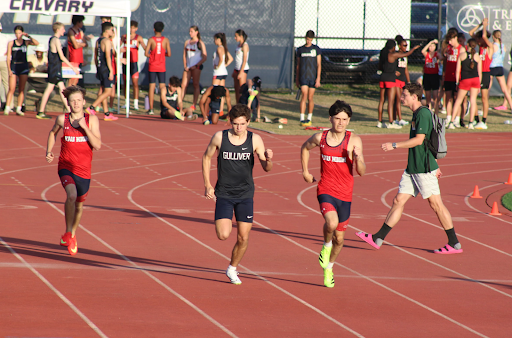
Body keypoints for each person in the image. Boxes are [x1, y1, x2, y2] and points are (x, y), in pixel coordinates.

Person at [356, 83, 462, 254]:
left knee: (436, 205)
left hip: (423, 168)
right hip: (413, 168)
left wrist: (394, 145)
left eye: (404, 94)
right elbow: (428, 142)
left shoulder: (423, 114)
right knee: (398, 200)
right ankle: (378, 238)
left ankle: (454, 243)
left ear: (414, 96)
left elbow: (420, 140)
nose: (402, 97)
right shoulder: (417, 114)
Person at [202, 104, 273, 285]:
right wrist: (208, 185)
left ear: (248, 122)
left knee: (243, 237)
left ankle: (232, 268)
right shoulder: (220, 137)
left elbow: (267, 168)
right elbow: (206, 157)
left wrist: (269, 158)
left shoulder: (255, 140)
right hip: (224, 193)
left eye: (242, 124)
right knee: (223, 235)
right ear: (230, 122)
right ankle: (231, 261)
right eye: (235, 124)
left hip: (245, 194)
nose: (239, 128)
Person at [301, 100, 366, 288]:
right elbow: (305, 148)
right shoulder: (320, 137)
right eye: (337, 118)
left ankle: (329, 267)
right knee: (331, 223)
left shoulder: (354, 140)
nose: (340, 123)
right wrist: (305, 171)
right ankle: (326, 246)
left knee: (340, 238)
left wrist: (359, 157)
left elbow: (361, 171)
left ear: (349, 120)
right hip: (326, 189)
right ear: (330, 118)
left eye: (344, 119)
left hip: (345, 194)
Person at [45, 85, 101, 256]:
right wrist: (49, 150)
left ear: (84, 102)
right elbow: (52, 132)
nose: (76, 103)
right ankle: (68, 233)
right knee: (71, 195)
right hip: (66, 166)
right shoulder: (63, 119)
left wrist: (84, 127)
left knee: (79, 205)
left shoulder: (92, 120)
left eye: (78, 100)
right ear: (68, 104)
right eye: (72, 101)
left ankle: (72, 234)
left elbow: (97, 145)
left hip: (84, 170)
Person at [36, 22, 79, 120]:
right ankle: (41, 111)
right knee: (56, 90)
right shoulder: (56, 40)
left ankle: (68, 111)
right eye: (63, 29)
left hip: (54, 68)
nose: (64, 31)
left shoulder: (52, 39)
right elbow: (61, 56)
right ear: (58, 30)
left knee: (60, 90)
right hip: (55, 69)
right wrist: (72, 68)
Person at [377, 39, 420, 128]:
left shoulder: (383, 54)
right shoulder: (392, 54)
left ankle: (379, 121)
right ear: (393, 47)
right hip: (390, 79)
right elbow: (406, 54)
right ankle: (391, 122)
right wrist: (414, 48)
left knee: (381, 101)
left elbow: (380, 66)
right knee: (391, 101)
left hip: (382, 77)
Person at [85, 22, 118, 121]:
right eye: (112, 30)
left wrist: (97, 68)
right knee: (108, 92)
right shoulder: (107, 41)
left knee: (104, 91)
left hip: (100, 68)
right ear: (107, 30)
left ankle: (107, 113)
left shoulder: (98, 40)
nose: (113, 32)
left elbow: (96, 56)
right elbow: (108, 56)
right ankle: (92, 107)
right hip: (106, 68)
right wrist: (111, 70)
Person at [4, 25, 39, 116]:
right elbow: (8, 57)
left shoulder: (26, 42)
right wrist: (9, 69)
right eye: (16, 33)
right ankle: (7, 107)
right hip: (14, 66)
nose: (18, 35)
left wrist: (28, 36)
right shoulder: (11, 43)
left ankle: (19, 108)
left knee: (21, 89)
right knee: (11, 88)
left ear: (22, 33)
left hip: (23, 67)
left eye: (19, 33)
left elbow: (36, 43)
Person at [449, 39, 482, 130]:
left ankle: (451, 122)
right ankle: (471, 123)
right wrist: (479, 84)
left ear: (467, 45)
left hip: (465, 80)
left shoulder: (462, 56)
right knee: (473, 101)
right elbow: (480, 72)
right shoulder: (477, 57)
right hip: (475, 80)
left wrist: (457, 82)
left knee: (458, 101)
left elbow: (457, 71)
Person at [470, 19, 493, 129]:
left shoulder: (489, 47)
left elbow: (484, 37)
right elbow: (471, 33)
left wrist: (484, 26)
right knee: (473, 97)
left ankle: (484, 120)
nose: (478, 41)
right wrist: (479, 24)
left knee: (484, 98)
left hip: (485, 73)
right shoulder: (479, 47)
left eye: (479, 39)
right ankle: (476, 119)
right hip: (476, 73)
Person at [296, 30, 321, 127]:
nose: (308, 41)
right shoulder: (300, 50)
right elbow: (298, 65)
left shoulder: (316, 49)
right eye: (307, 39)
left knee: (310, 97)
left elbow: (319, 64)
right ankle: (302, 118)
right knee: (304, 95)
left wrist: (318, 78)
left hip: (312, 77)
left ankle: (309, 118)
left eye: (310, 39)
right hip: (303, 76)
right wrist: (297, 79)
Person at [145, 21, 171, 115]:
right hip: (161, 66)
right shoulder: (166, 40)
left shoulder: (151, 40)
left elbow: (146, 53)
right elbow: (169, 53)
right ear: (163, 29)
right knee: (162, 87)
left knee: (152, 87)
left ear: (154, 29)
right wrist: (162, 54)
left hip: (152, 66)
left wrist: (152, 55)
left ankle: (151, 109)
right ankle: (163, 108)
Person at [24, 44, 60, 112]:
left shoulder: (46, 59)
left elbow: (48, 69)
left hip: (42, 82)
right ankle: (23, 105)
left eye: (41, 52)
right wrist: (33, 68)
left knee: (52, 92)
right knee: (23, 86)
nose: (39, 53)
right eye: (38, 51)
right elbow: (30, 65)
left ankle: (40, 103)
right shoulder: (30, 57)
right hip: (31, 82)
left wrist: (41, 69)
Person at [121, 21, 146, 111]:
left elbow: (145, 48)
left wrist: (149, 50)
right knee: (125, 83)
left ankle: (135, 103)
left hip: (134, 63)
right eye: (130, 27)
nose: (131, 29)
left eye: (133, 28)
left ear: (136, 29)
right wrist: (120, 50)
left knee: (135, 83)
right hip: (125, 63)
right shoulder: (124, 37)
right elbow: (118, 48)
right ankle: (126, 102)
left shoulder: (138, 38)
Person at [181, 26, 207, 111]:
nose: (190, 33)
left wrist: (196, 66)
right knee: (183, 85)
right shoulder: (187, 42)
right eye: (189, 31)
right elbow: (184, 55)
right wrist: (185, 66)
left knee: (196, 84)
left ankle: (194, 104)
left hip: (196, 67)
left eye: (191, 31)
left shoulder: (200, 43)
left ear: (196, 32)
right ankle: (179, 103)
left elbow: (204, 57)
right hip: (188, 67)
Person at [441, 29, 462, 125]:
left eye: (451, 40)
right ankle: (448, 117)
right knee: (448, 97)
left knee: (457, 98)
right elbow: (443, 56)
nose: (449, 42)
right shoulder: (448, 49)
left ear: (456, 38)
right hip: (448, 77)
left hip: (457, 77)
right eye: (448, 40)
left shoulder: (461, 49)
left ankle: (457, 118)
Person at [488, 30, 512, 113]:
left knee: (487, 88)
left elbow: (490, 56)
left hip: (492, 67)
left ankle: (486, 105)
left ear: (494, 37)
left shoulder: (493, 45)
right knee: (505, 89)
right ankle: (511, 105)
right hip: (500, 68)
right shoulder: (503, 46)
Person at [394, 37, 411, 126]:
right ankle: (399, 119)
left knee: (400, 99)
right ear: (399, 46)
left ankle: (396, 118)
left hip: (402, 81)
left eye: (406, 46)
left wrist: (408, 81)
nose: (405, 47)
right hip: (396, 80)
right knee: (398, 99)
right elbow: (391, 65)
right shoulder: (396, 55)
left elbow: (406, 70)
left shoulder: (405, 56)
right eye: (404, 45)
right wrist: (394, 72)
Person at [67, 15, 89, 87]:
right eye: (81, 22)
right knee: (71, 78)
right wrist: (80, 44)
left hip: (79, 57)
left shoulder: (80, 31)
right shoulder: (71, 31)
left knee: (76, 78)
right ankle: (67, 94)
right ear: (77, 22)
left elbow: (86, 44)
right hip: (73, 57)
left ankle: (72, 92)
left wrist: (80, 44)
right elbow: (75, 46)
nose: (82, 24)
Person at [421, 39, 440, 114]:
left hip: (434, 76)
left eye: (433, 46)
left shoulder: (436, 54)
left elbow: (442, 57)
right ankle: (429, 111)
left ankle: (436, 111)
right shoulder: (427, 54)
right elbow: (423, 51)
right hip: (427, 76)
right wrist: (430, 42)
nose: (431, 48)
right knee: (428, 96)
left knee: (435, 96)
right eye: (430, 46)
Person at [232, 29, 250, 102]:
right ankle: (237, 105)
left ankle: (243, 106)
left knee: (241, 89)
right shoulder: (238, 45)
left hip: (242, 70)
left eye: (236, 36)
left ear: (241, 36)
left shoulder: (245, 45)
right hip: (237, 69)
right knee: (236, 89)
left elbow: (244, 60)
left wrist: (241, 72)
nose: (235, 38)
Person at [0, 23, 10, 109]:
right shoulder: (6, 36)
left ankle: (2, 102)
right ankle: (9, 104)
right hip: (4, 60)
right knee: (6, 83)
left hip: (3, 59)